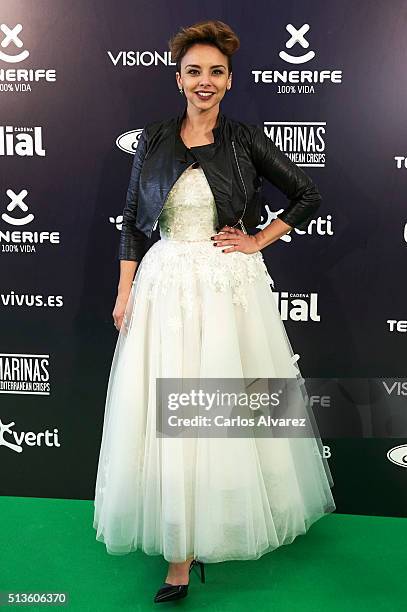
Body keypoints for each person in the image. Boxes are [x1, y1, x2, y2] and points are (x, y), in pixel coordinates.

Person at [93, 19, 336, 604]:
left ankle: (224, 520)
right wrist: (125, 292)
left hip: (228, 287)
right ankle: (179, 555)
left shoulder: (245, 139)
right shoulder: (153, 139)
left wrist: (258, 239)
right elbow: (131, 221)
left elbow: (308, 194)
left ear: (229, 81)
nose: (206, 81)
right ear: (179, 79)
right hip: (165, 285)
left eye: (216, 72)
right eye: (195, 71)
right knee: (167, 411)